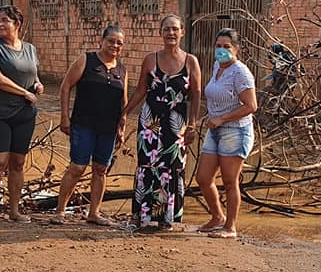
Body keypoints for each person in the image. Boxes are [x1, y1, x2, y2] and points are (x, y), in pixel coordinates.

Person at [121, 14, 202, 231]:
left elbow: (196, 95)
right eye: (166, 29)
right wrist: (124, 113)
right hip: (150, 122)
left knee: (173, 167)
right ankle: (142, 216)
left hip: (177, 124)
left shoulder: (191, 62)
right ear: (160, 33)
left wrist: (192, 125)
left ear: (182, 32)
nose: (171, 33)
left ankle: (167, 218)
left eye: (175, 29)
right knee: (147, 166)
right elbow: (141, 90)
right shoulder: (150, 59)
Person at [52, 24, 128, 226]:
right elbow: (66, 86)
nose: (115, 45)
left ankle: (94, 213)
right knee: (77, 167)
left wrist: (122, 127)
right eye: (111, 41)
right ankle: (60, 211)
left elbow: (124, 101)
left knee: (101, 169)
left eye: (119, 43)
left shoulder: (122, 70)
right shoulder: (86, 60)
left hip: (108, 127)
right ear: (101, 41)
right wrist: (64, 117)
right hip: (83, 123)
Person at [0, 5, 45, 227]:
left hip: (24, 114)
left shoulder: (30, 49)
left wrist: (37, 85)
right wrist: (24, 92)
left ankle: (14, 211)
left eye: (4, 20)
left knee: (18, 163)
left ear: (17, 24)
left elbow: (33, 75)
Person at [196, 28, 258, 239]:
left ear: (237, 49)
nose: (221, 50)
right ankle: (217, 217)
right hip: (215, 130)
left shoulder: (241, 73)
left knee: (230, 181)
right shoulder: (217, 67)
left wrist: (222, 118)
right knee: (203, 177)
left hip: (235, 131)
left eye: (227, 47)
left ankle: (230, 227)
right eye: (218, 46)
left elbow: (251, 106)